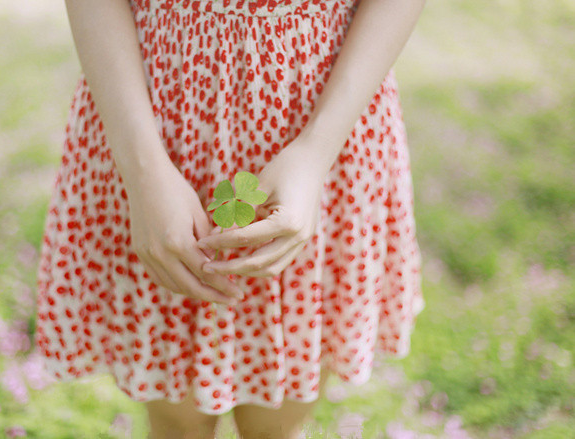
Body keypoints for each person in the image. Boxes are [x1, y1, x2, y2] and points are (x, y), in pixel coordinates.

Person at [35, 0, 427, 438]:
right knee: (176, 423)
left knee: (278, 421)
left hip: (323, 105)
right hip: (157, 114)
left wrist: (317, 150)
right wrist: (143, 170)